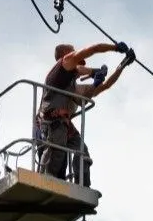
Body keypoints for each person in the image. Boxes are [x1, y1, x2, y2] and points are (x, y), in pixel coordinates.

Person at [36, 41, 131, 186]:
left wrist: (122, 66)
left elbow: (105, 86)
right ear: (65, 56)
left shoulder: (73, 89)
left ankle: (82, 184)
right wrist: (114, 47)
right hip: (50, 122)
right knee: (56, 150)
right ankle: (44, 179)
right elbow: (92, 49)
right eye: (73, 53)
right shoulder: (59, 70)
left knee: (82, 152)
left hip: (64, 124)